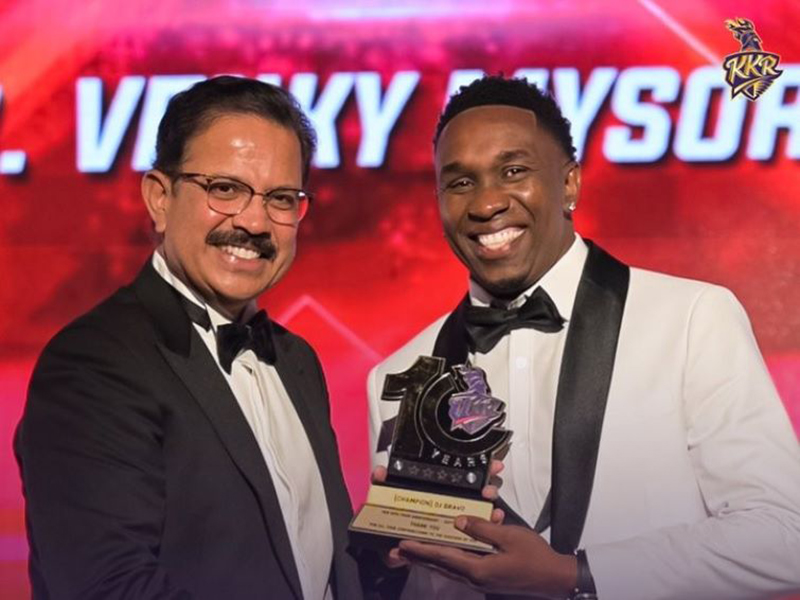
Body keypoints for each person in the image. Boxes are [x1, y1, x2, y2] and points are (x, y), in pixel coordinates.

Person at [368, 76, 800, 599]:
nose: (486, 203)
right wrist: (389, 561)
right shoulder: (400, 373)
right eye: (460, 183)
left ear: (569, 184)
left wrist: (578, 575)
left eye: (513, 171)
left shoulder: (690, 320)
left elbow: (784, 535)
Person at [16, 76, 363, 600]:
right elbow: (109, 587)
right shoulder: (91, 366)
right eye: (225, 189)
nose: (254, 222)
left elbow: (316, 565)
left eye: (281, 198)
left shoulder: (296, 359)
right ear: (160, 197)